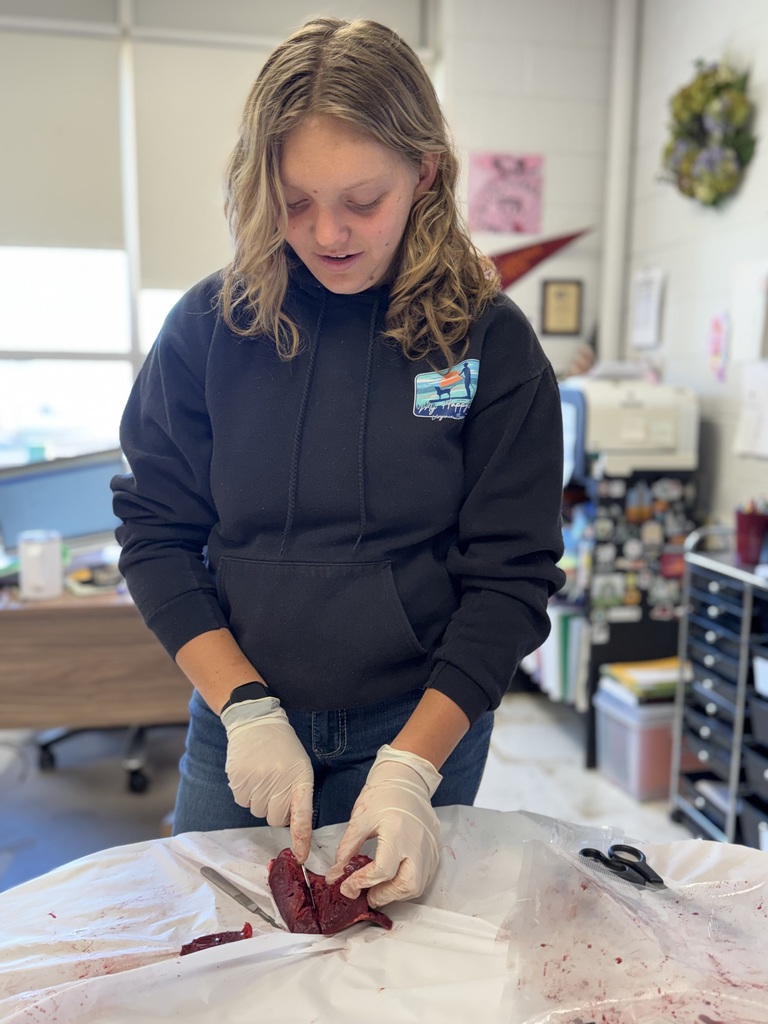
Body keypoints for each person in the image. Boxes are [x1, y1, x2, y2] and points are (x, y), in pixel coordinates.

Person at [111, 17, 565, 910]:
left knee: (394, 971)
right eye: (295, 201)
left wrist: (407, 772)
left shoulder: (486, 345)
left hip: (421, 726)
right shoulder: (208, 330)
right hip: (242, 724)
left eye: (365, 200)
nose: (328, 234)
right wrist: (243, 707)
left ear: (424, 172)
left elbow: (510, 580)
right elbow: (157, 536)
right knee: (216, 957)